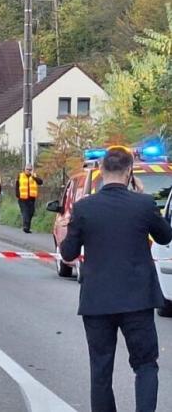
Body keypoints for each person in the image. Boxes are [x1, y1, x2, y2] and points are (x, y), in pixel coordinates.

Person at [60, 147, 172, 412]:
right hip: (137, 301)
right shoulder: (143, 204)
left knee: (100, 370)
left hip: (97, 302)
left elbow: (68, 254)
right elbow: (165, 236)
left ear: (100, 171)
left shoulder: (84, 208)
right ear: (130, 172)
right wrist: (142, 197)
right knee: (145, 365)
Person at [15, 163, 43, 234]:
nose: (29, 171)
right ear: (24, 169)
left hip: (31, 198)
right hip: (22, 198)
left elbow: (40, 182)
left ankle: (27, 227)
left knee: (31, 212)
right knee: (25, 212)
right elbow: (17, 186)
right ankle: (25, 227)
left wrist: (34, 177)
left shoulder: (34, 176)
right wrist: (17, 195)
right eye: (27, 169)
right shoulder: (20, 176)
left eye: (30, 169)